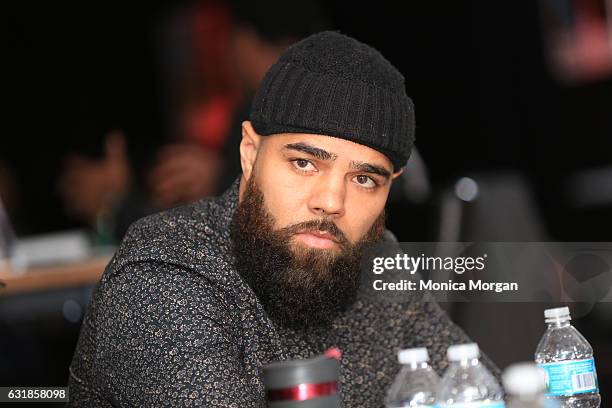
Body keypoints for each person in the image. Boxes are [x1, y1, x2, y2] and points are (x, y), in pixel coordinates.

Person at [68, 31, 497, 406]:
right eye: (304, 164)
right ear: (250, 154)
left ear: (391, 186)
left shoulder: (378, 262)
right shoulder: (164, 275)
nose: (331, 201)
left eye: (364, 179)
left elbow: (483, 391)